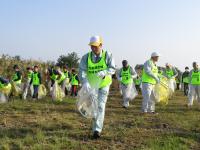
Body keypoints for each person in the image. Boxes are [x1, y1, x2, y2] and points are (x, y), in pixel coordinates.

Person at [79, 36, 116, 139]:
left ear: (101, 45)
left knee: (100, 106)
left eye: (95, 46)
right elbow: (82, 71)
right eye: (92, 46)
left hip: (104, 85)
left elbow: (112, 68)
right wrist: (85, 82)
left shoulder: (108, 55)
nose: (93, 48)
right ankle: (95, 124)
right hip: (92, 85)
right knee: (93, 106)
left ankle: (97, 130)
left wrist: (104, 72)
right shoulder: (86, 57)